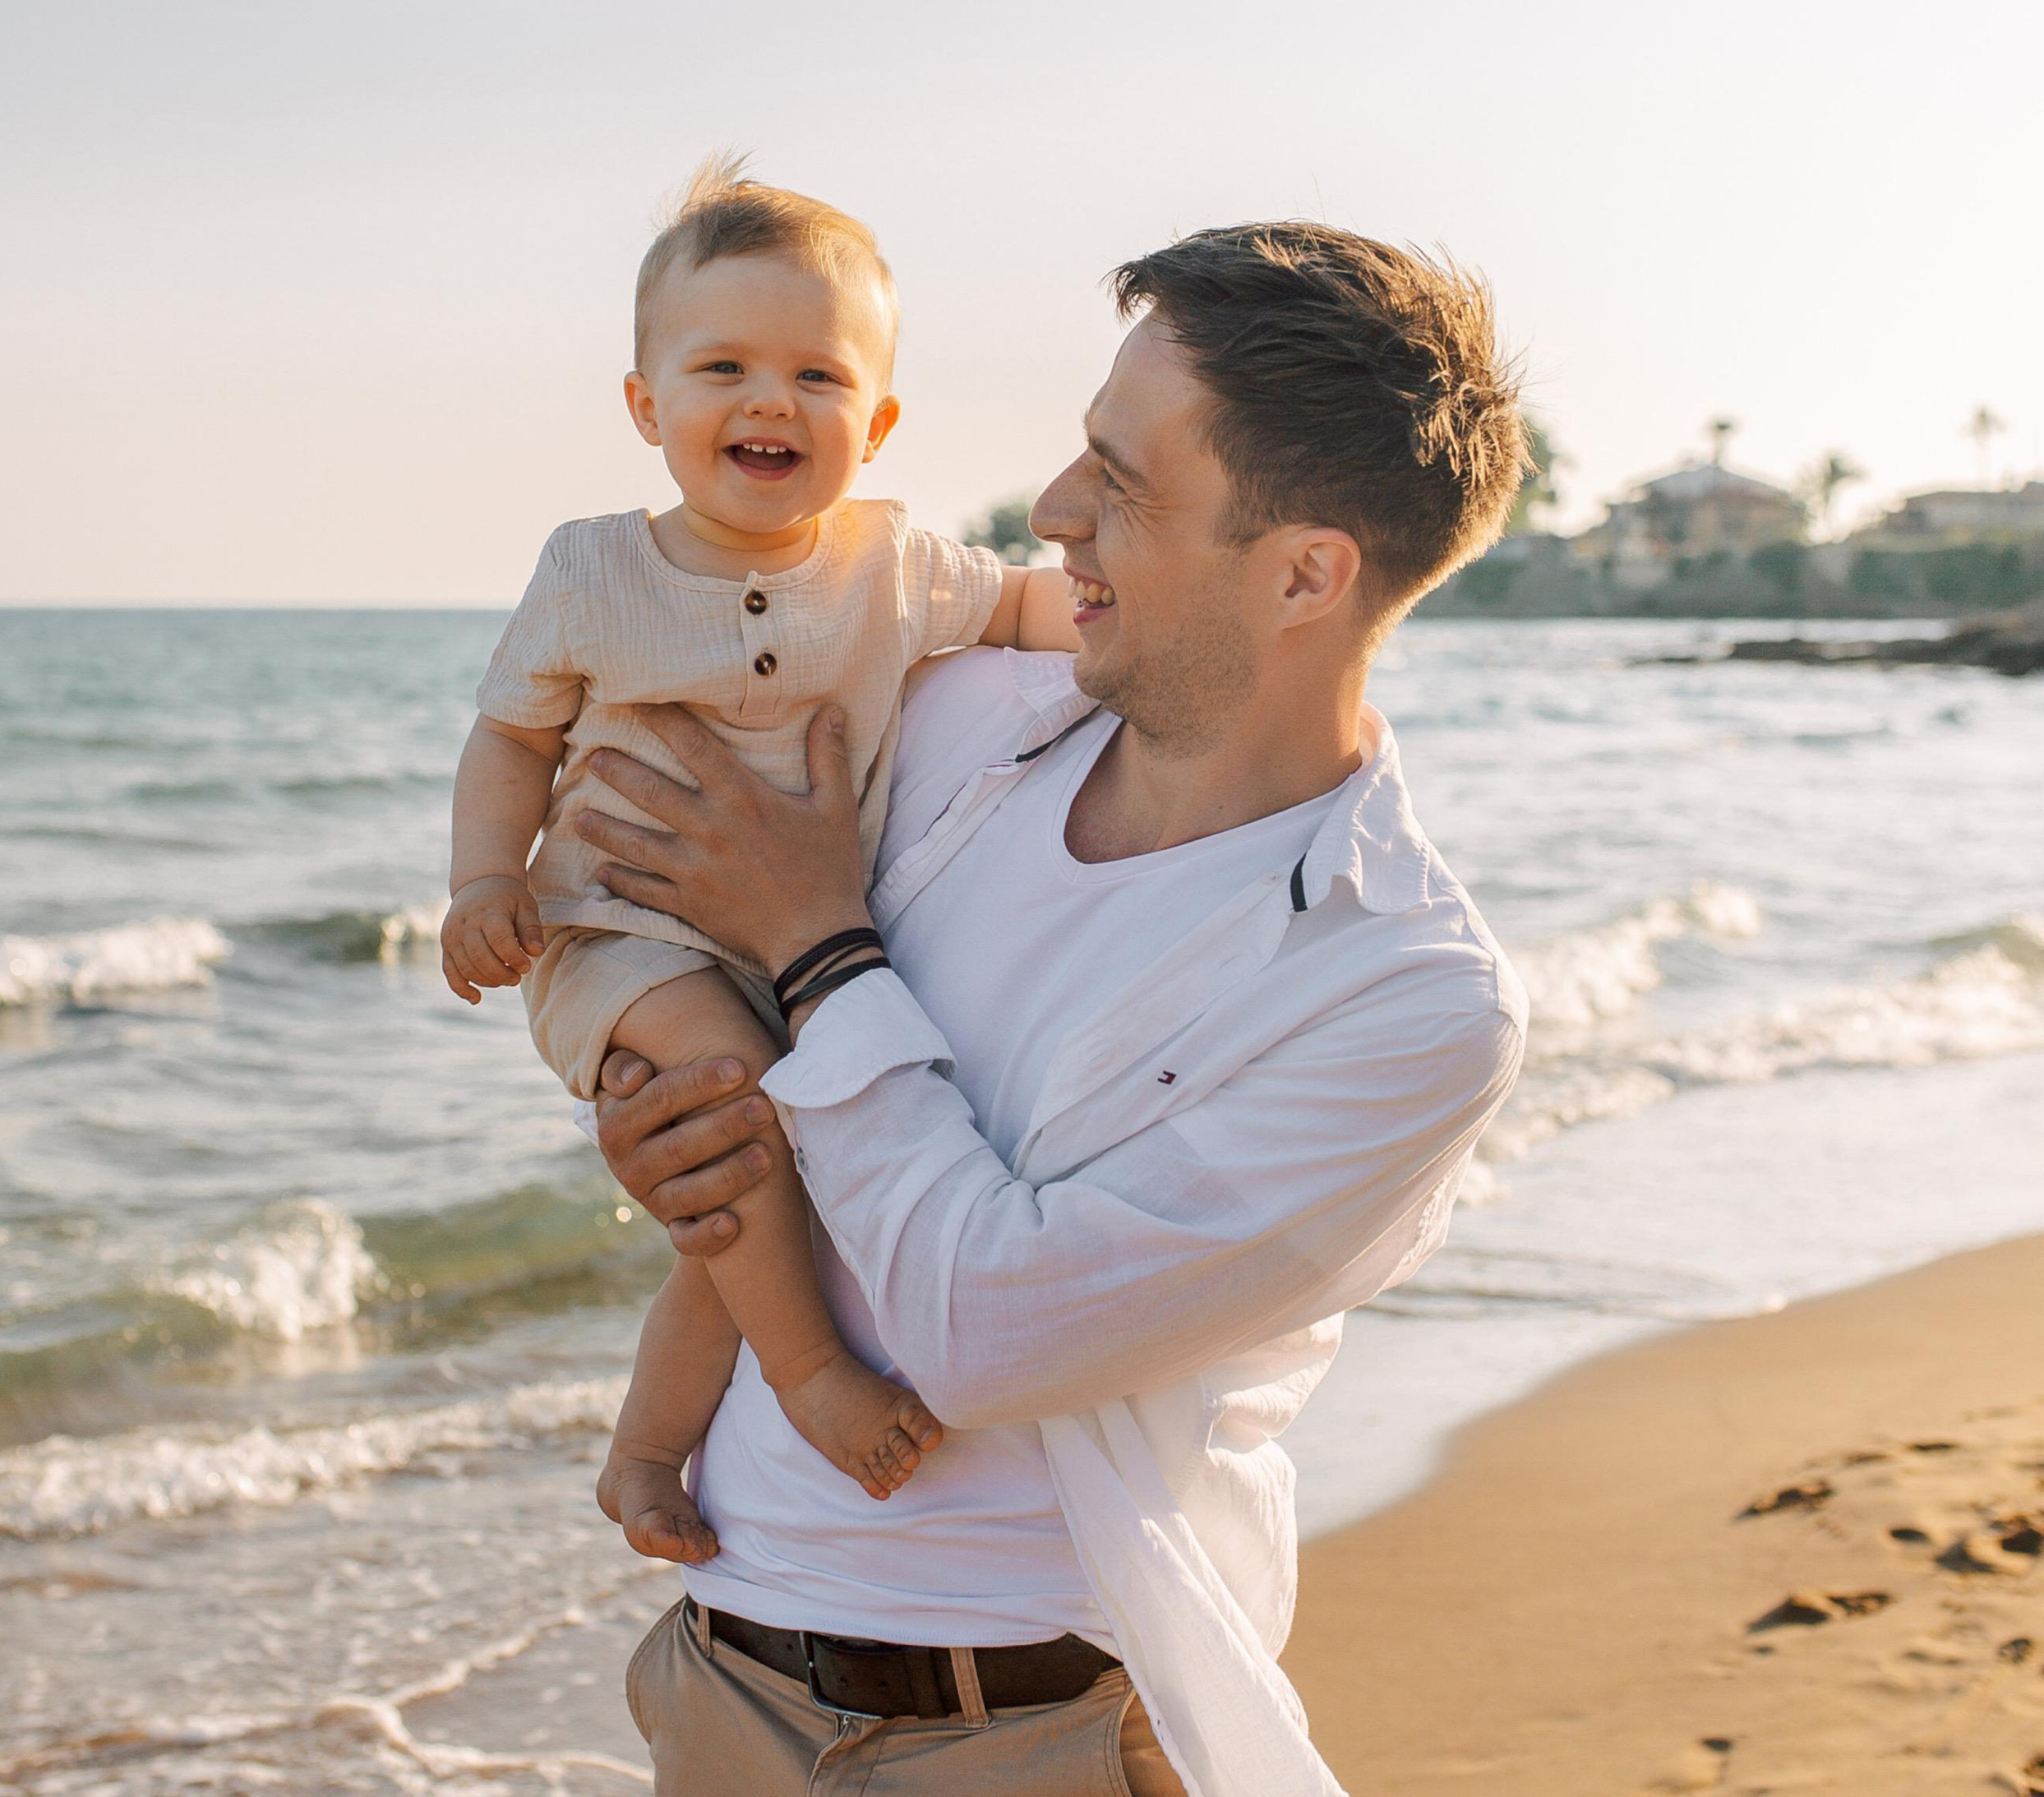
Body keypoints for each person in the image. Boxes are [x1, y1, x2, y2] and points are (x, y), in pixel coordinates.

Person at [576, 219, 1534, 1797]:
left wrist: (819, 943)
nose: (1055, 511)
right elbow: (706, 989)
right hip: (723, 1680)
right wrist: (663, 1118)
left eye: (1124, 479)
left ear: (1307, 571)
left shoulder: (1403, 999)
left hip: (1033, 1735)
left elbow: (983, 1329)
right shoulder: (949, 720)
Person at [440, 159, 1081, 1532]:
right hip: (621, 934)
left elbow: (1035, 608)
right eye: (721, 365)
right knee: (731, 1118)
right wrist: (483, 883)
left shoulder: (896, 568)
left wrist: (1163, 629)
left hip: (789, 941)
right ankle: (810, 1385)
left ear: (881, 419)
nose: (771, 400)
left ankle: (645, 1456)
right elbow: (509, 739)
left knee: (761, 1195)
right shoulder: (591, 570)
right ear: (646, 406)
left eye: (820, 376)